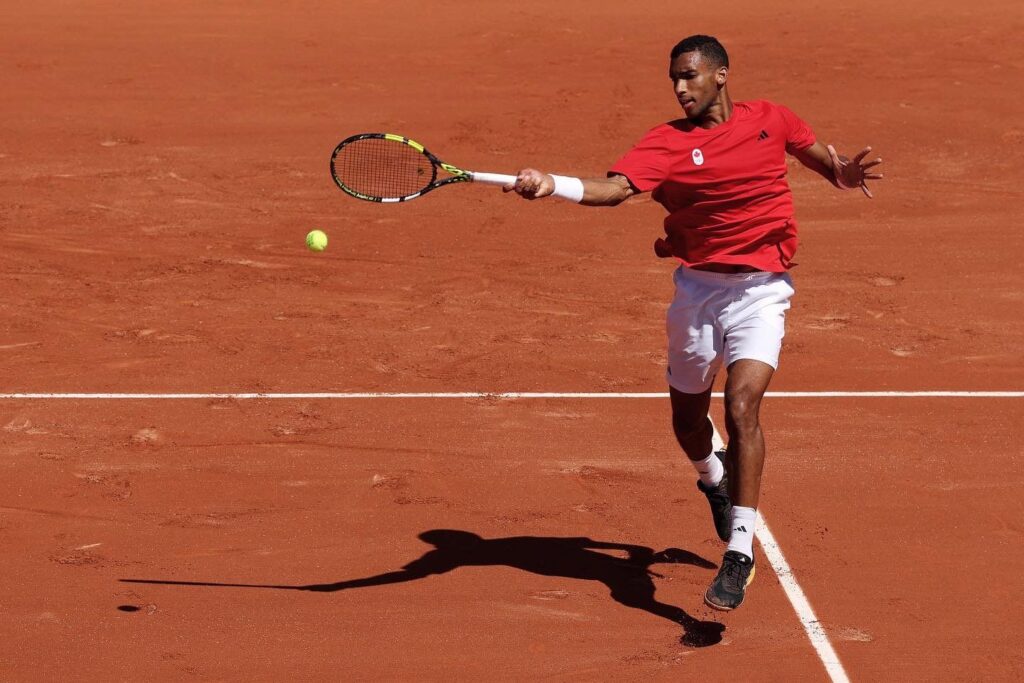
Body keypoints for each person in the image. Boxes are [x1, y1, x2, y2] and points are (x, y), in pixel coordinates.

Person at [504, 34, 882, 611]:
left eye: (690, 76)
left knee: (742, 406)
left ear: (722, 75)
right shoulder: (666, 144)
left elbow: (819, 158)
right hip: (698, 291)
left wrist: (845, 175)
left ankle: (738, 551)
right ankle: (713, 479)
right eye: (674, 79)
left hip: (762, 290)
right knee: (687, 420)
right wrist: (554, 184)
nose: (680, 89)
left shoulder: (772, 120)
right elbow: (615, 191)